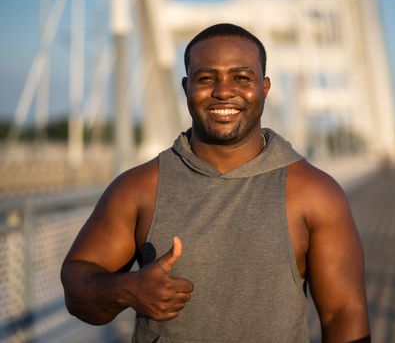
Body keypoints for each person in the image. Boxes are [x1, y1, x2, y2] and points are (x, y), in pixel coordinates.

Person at [61, 23, 370, 342]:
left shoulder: (313, 192)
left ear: (264, 88)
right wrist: (127, 289)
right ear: (185, 87)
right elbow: (77, 288)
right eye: (207, 78)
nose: (223, 91)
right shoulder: (139, 188)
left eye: (241, 77)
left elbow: (344, 311)